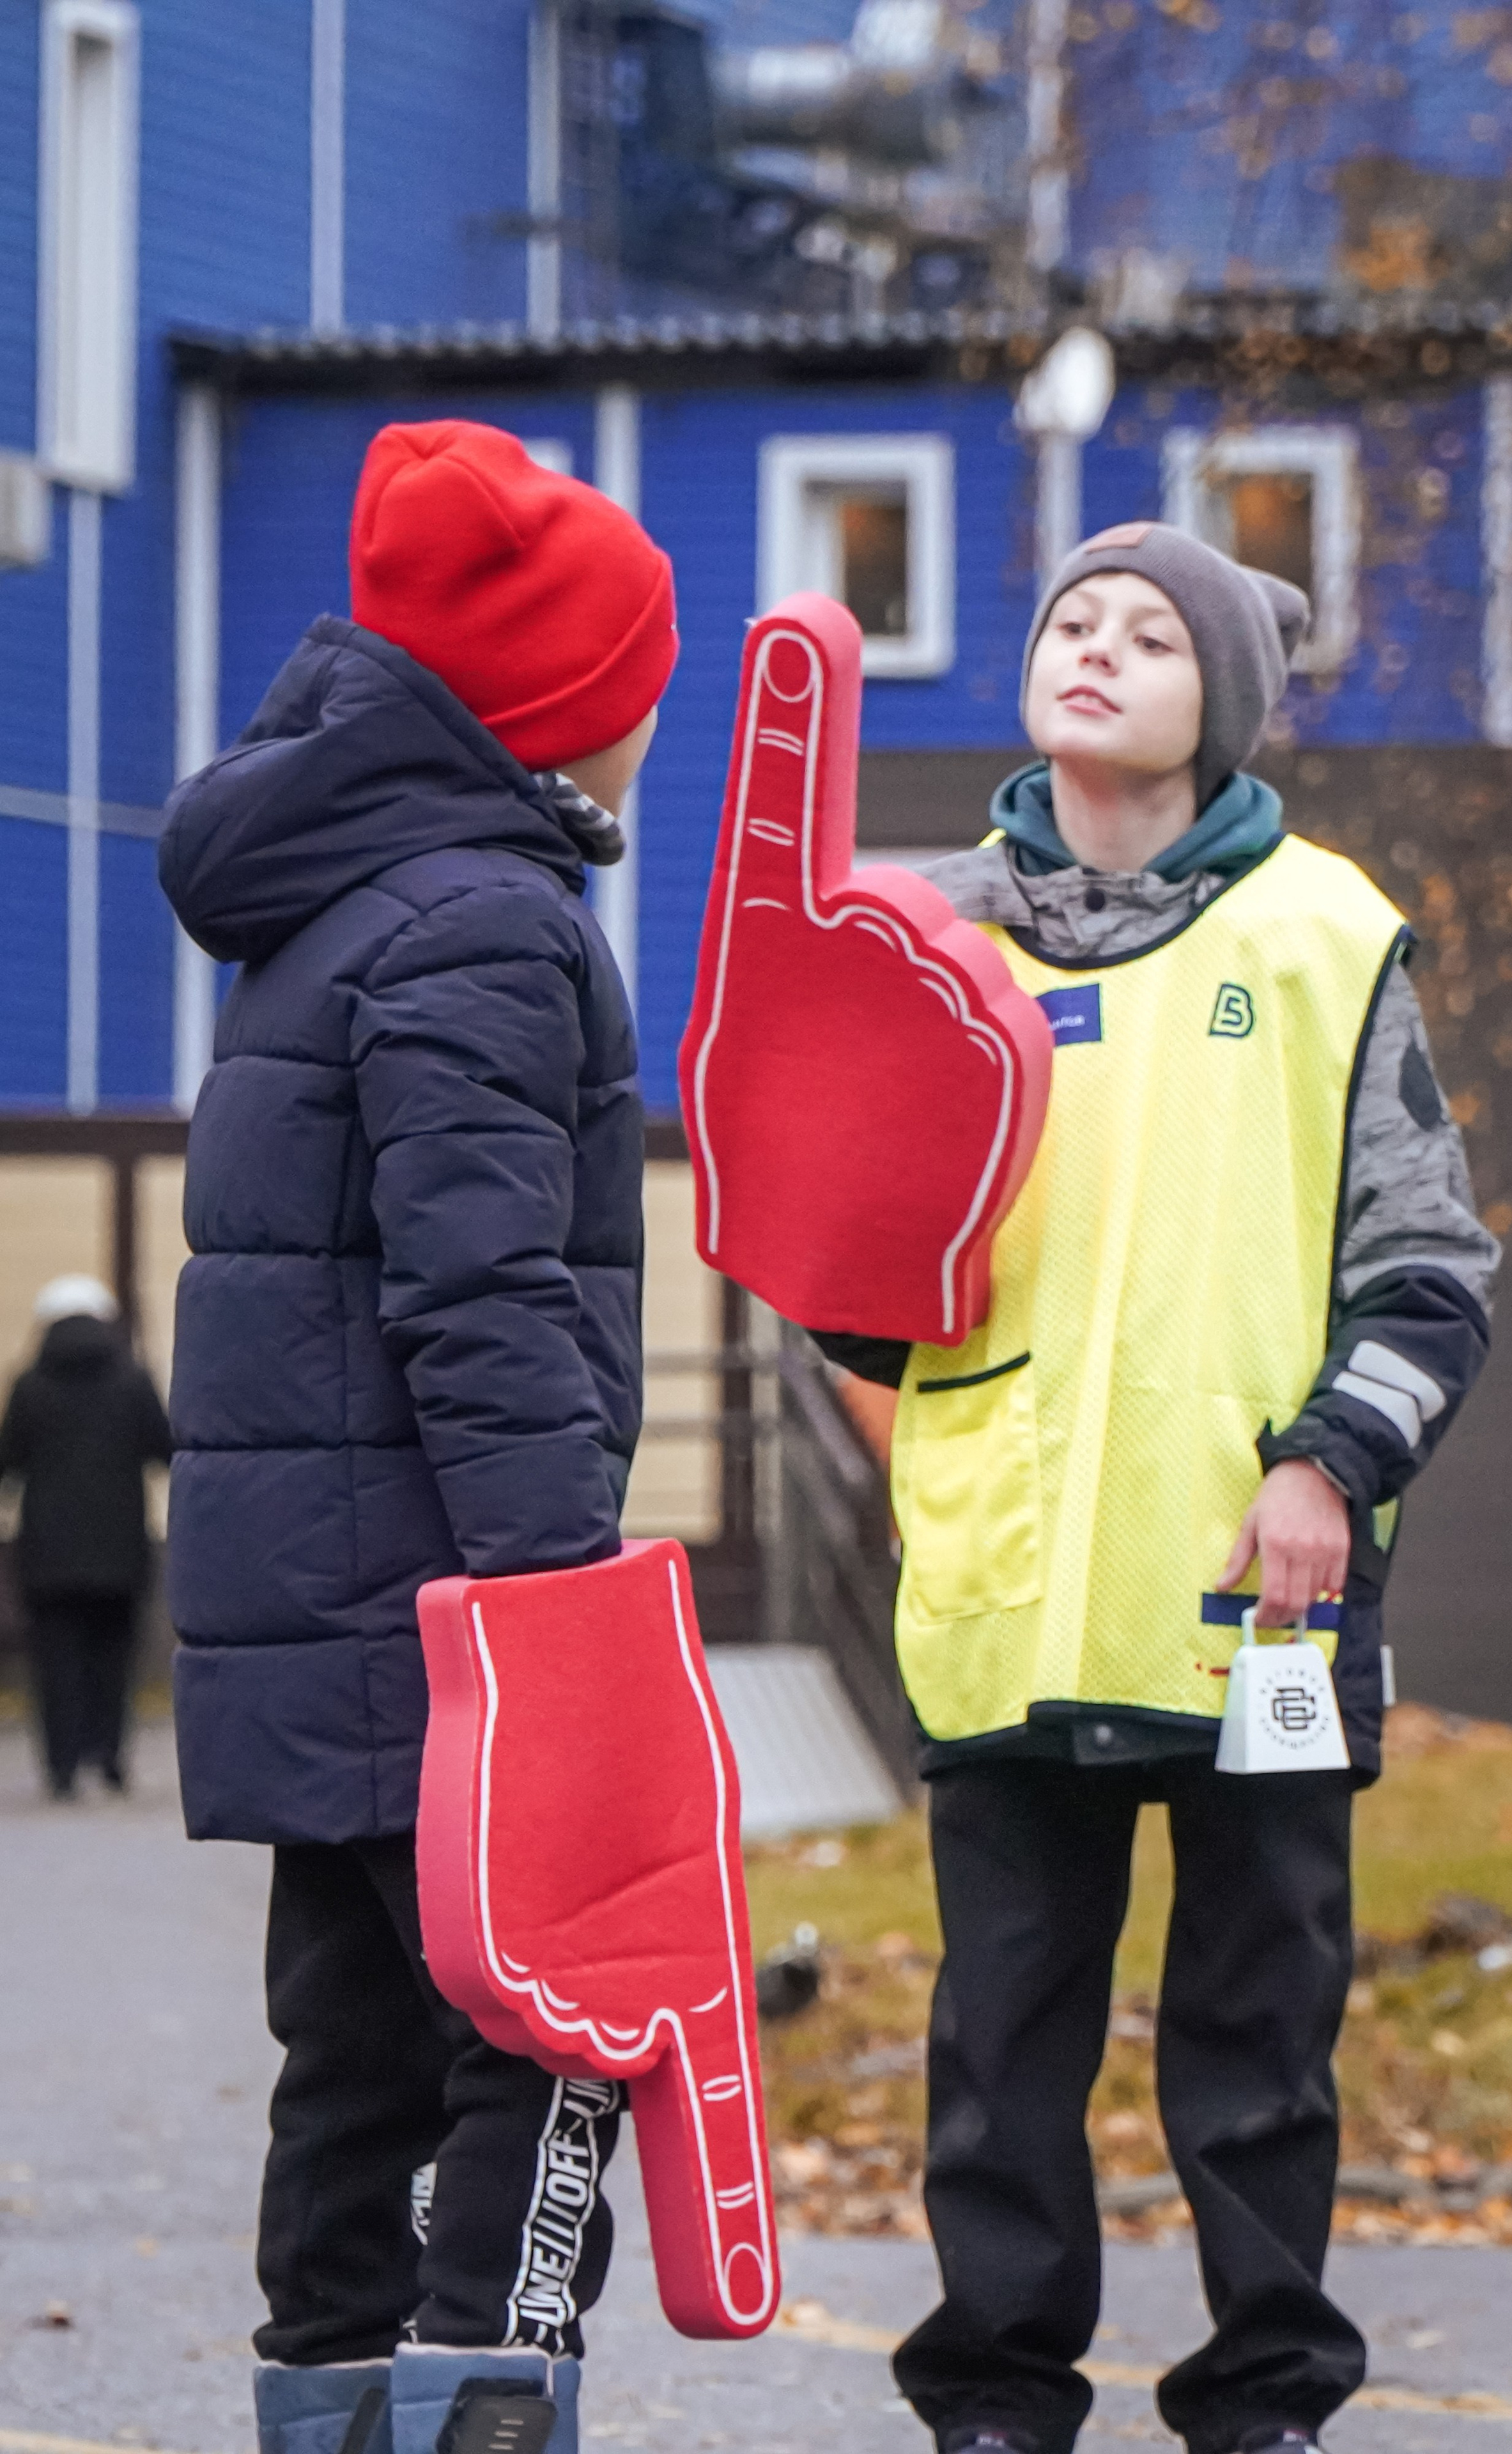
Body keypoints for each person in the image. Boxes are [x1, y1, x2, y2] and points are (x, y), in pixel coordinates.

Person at [813, 522, 1499, 2454]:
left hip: (1254, 1592)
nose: (1092, 649)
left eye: (1147, 632)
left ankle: (1264, 2396)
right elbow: (864, 1280)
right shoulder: (924, 939)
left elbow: (1431, 1272)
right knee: (999, 2042)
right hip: (1006, 1589)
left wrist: (1324, 1463)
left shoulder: (1321, 935)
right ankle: (994, 2397)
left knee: (1256, 2043)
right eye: (1065, 621)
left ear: (1226, 707)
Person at [158, 421, 675, 2454]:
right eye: (634, 691)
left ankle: (331, 2421)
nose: (651, 727)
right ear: (556, 717)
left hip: (326, 1614)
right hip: (459, 1625)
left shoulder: (341, 897)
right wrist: (568, 1621)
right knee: (553, 2046)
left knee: (354, 2059)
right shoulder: (483, 920)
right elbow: (479, 1289)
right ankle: (482, 2422)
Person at [0, 1275, 172, 1800]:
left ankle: (61, 1766)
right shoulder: (133, 1378)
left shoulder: (29, 1384)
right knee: (113, 1656)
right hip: (121, 1548)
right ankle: (110, 1758)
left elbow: (8, 1460)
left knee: (55, 1660)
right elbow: (164, 1450)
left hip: (48, 1552)